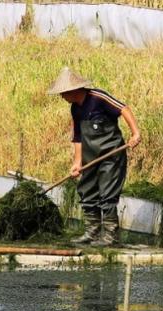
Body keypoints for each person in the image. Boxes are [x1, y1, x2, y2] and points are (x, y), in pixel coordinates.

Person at [48, 67, 141, 246]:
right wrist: (77, 162)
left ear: (73, 90)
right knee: (87, 191)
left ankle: (110, 236)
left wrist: (135, 133)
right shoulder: (75, 109)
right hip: (90, 158)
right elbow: (77, 136)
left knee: (107, 193)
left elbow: (124, 109)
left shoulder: (98, 98)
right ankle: (92, 232)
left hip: (110, 155)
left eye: (63, 93)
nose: (61, 97)